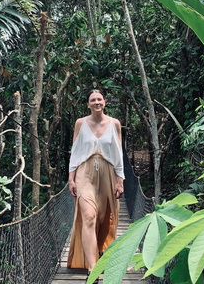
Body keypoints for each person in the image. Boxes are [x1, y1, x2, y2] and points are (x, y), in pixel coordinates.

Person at [67, 89, 125, 281]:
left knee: (103, 218)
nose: (97, 102)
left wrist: (120, 181)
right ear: (88, 104)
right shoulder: (80, 124)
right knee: (89, 217)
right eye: (93, 100)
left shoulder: (115, 124)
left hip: (108, 172)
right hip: (85, 172)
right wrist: (71, 177)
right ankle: (92, 269)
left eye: (99, 99)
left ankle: (100, 252)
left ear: (104, 102)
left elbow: (118, 155)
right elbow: (75, 151)